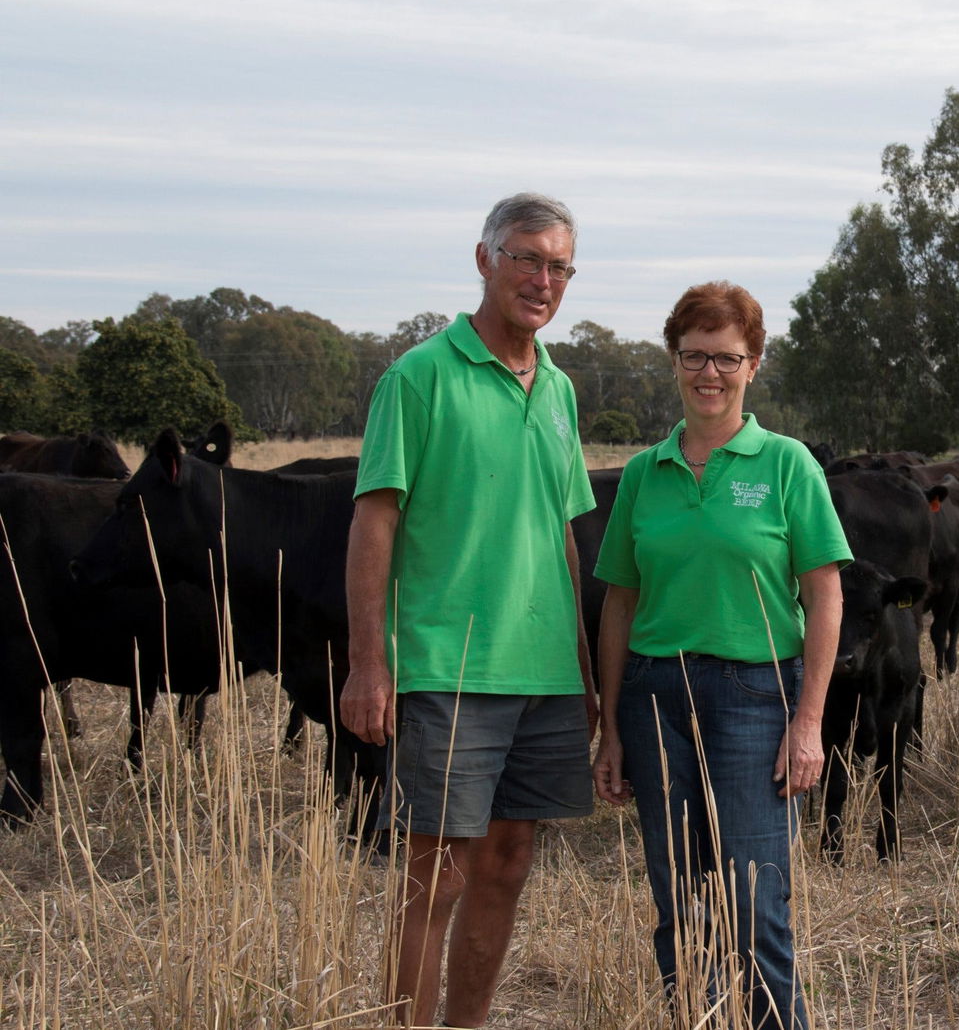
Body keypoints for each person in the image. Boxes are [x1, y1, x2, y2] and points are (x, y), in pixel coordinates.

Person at [339, 192, 597, 1028]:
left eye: (559, 265)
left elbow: (562, 538)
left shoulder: (558, 389)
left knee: (509, 863)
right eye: (527, 257)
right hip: (451, 664)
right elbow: (376, 519)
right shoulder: (419, 377)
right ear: (484, 259)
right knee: (435, 874)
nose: (543, 279)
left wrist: (585, 672)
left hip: (544, 668)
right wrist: (369, 664)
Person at [591, 281, 849, 1030]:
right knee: (678, 900)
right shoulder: (645, 473)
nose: (710, 373)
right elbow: (620, 603)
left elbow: (825, 596)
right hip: (652, 696)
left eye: (727, 358)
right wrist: (610, 725)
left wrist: (809, 721)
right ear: (673, 361)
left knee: (754, 898)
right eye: (695, 356)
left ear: (755, 364)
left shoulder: (787, 465)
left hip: (754, 695)